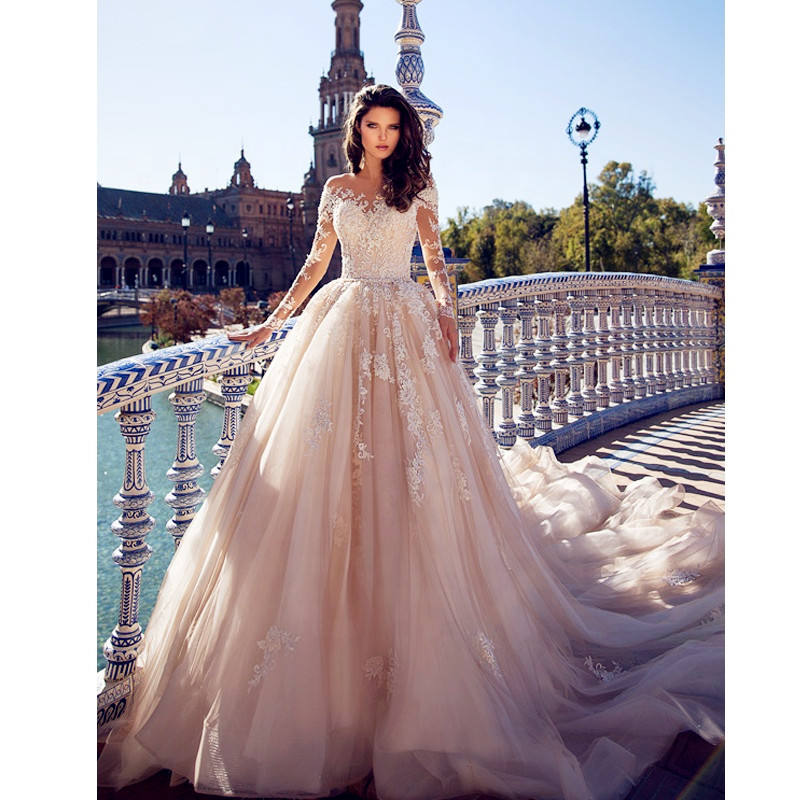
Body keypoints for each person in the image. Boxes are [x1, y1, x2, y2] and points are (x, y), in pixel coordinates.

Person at [98, 85, 723, 800]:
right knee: (325, 477)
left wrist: (449, 315)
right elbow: (313, 266)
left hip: (405, 334)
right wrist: (270, 327)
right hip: (339, 329)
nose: (385, 136)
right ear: (354, 130)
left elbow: (434, 260)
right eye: (374, 125)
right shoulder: (334, 188)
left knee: (411, 473)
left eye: (395, 126)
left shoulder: (417, 185)